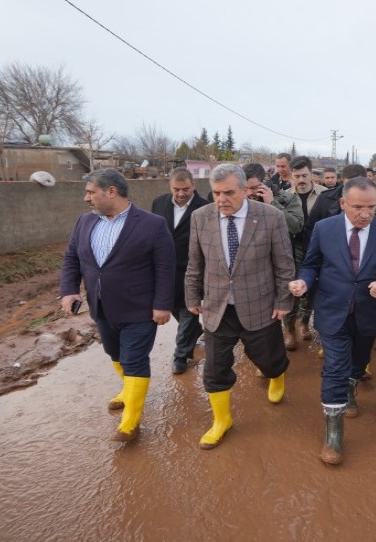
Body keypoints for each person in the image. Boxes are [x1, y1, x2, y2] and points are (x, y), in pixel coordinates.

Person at [289, 177, 376, 465]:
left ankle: (352, 385)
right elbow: (311, 265)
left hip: (370, 313)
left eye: (372, 207)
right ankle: (334, 434)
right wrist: (304, 282)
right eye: (358, 207)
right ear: (343, 204)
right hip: (332, 311)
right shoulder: (324, 229)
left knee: (357, 363)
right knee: (335, 367)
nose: (365, 214)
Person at [60, 168, 175, 442]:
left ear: (111, 191)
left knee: (134, 359)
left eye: (90, 192)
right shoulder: (84, 222)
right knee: (115, 353)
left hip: (139, 308)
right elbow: (71, 259)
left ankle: (130, 424)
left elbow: (166, 267)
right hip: (101, 306)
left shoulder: (152, 224)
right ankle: (128, 390)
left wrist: (162, 305)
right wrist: (68, 290)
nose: (86, 198)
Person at [185, 164, 295, 450]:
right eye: (217, 193)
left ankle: (276, 376)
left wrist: (284, 301)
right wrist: (192, 297)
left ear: (246, 190)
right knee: (215, 367)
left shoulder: (271, 218)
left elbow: (284, 264)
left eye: (229, 192)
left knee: (268, 359)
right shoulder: (200, 217)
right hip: (218, 306)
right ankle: (222, 420)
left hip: (258, 304)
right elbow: (195, 263)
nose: (222, 199)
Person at [151, 168, 210, 374]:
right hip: (164, 271)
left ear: (193, 186)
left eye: (185, 189)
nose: (181, 193)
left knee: (188, 312)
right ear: (170, 187)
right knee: (176, 309)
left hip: (192, 270)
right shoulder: (159, 203)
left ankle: (181, 356)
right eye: (176, 189)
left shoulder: (205, 207)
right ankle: (195, 332)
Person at [282, 156, 330, 346]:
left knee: (313, 286)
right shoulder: (284, 196)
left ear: (312, 174)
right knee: (291, 286)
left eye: (304, 175)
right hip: (292, 247)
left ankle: (303, 321)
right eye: (297, 176)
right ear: (291, 177)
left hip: (319, 247)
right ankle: (289, 329)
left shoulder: (325, 195)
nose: (301, 180)